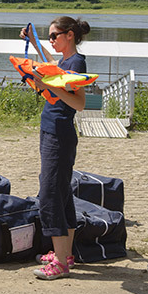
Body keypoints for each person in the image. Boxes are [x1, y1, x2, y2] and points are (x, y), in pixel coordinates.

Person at [20, 17, 90, 280]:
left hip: (60, 134)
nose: (51, 41)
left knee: (49, 192)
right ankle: (66, 254)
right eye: (49, 37)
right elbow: (50, 64)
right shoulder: (64, 61)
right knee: (61, 192)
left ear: (69, 35)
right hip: (51, 130)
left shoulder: (76, 63)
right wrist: (34, 41)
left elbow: (79, 103)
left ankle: (60, 262)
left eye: (54, 36)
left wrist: (47, 85)